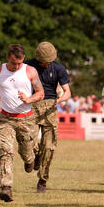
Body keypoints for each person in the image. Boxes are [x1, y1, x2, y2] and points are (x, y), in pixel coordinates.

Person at [0, 44, 44, 202]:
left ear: (23, 59)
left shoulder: (30, 71)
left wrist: (29, 99)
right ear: (7, 58)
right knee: (5, 150)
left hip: (26, 118)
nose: (16, 66)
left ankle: (31, 158)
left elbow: (40, 93)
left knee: (26, 153)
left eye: (19, 63)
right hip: (5, 118)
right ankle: (6, 187)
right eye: (13, 63)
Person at [25, 42, 71, 193]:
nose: (46, 63)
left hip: (50, 107)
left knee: (49, 146)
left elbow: (67, 92)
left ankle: (42, 181)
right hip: (31, 106)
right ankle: (34, 157)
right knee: (27, 139)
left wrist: (60, 100)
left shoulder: (58, 68)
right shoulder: (27, 66)